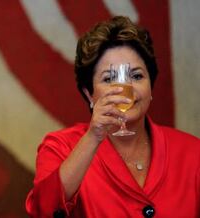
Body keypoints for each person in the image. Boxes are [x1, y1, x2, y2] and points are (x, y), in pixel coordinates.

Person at [26, 16, 200, 217]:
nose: (124, 88)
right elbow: (43, 211)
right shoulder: (60, 147)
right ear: (89, 93)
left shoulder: (193, 153)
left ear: (150, 85)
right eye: (109, 79)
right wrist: (94, 136)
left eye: (136, 76)